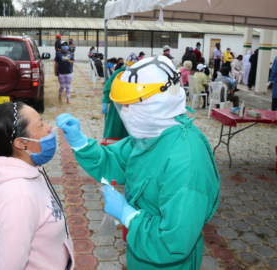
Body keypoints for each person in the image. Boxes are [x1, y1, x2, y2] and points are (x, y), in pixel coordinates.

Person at [57, 56, 219, 270]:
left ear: (158, 103)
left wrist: (128, 215)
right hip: (141, 252)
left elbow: (173, 243)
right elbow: (113, 160)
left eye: (131, 105)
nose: (125, 113)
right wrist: (80, 143)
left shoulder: (186, 164)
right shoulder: (150, 134)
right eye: (122, 106)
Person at [0, 102, 74, 270]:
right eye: (41, 125)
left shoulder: (28, 170)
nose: (49, 127)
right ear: (21, 143)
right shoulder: (18, 197)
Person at [101, 66, 129, 139]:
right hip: (117, 105)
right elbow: (108, 87)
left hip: (135, 105)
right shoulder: (119, 73)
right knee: (114, 128)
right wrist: (105, 101)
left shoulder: (142, 74)